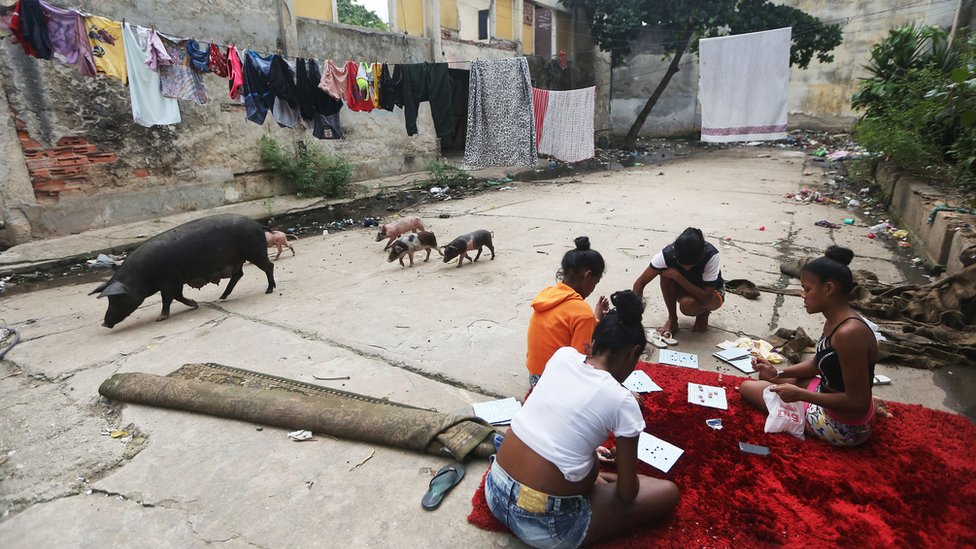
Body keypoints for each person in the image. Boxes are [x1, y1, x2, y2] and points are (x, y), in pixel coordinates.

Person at [488, 291, 680, 548]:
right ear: (634, 353)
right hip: (544, 525)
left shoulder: (562, 356)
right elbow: (627, 494)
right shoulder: (624, 402)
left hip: (495, 490)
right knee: (667, 492)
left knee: (590, 469)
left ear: (594, 340)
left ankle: (594, 477)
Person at [739, 246, 878, 447]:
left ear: (829, 289)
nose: (802, 295)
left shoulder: (849, 334)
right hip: (827, 391)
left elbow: (858, 402)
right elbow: (817, 363)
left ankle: (802, 410)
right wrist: (777, 372)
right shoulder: (835, 320)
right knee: (770, 377)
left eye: (807, 289)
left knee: (747, 387)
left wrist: (802, 395)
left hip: (843, 425)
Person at [525, 236, 609, 387]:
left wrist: (595, 319)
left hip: (535, 377)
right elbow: (581, 362)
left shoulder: (549, 294)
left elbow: (563, 326)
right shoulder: (582, 312)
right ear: (588, 276)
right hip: (555, 383)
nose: (593, 288)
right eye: (595, 283)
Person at [632, 227, 724, 335]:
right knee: (665, 274)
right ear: (675, 252)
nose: (687, 269)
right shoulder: (667, 254)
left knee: (688, 306)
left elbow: (707, 297)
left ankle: (704, 313)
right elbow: (640, 283)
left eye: (691, 266)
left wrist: (678, 276)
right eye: (682, 265)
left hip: (711, 294)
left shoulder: (711, 255)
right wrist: (633, 321)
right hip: (686, 289)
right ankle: (672, 319)